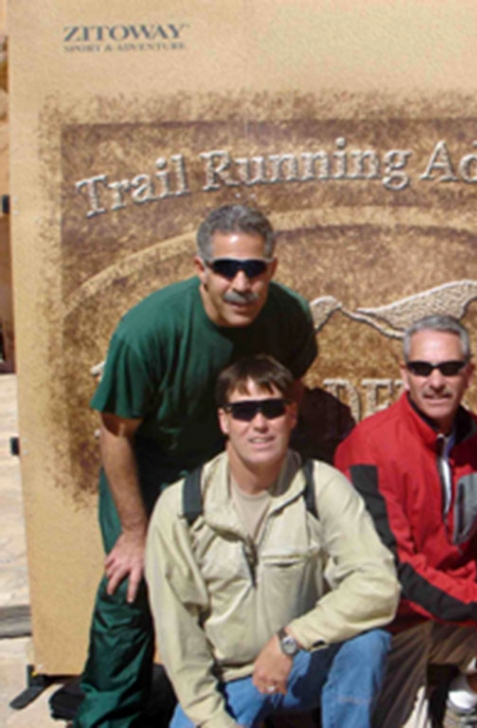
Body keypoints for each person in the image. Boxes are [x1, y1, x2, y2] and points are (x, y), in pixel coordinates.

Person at [76, 204, 319, 728]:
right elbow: (116, 431)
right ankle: (107, 716)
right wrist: (135, 532)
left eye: (254, 269)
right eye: (226, 268)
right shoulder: (149, 330)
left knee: (231, 582)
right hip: (150, 465)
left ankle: (220, 702)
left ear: (271, 270)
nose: (241, 283)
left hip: (227, 470)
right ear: (200, 269)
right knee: (131, 589)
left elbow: (290, 385)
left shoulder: (290, 315)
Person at [145, 355, 399, 728]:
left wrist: (291, 639)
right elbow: (179, 633)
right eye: (244, 412)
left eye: (272, 409)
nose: (259, 424)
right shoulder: (181, 509)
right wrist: (213, 720)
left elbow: (378, 585)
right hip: (227, 682)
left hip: (303, 664)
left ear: (291, 416)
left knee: (368, 643)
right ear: (224, 421)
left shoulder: (323, 487)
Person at [334, 315, 477, 728]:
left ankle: (461, 698)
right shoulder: (369, 446)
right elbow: (401, 573)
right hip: (394, 621)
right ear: (404, 374)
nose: (436, 381)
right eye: (422, 368)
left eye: (449, 368)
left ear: (469, 374)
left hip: (461, 613)